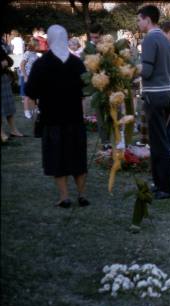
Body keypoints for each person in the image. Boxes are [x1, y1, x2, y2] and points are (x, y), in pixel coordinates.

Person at [24, 25, 89, 208]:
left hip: (52, 119)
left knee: (56, 157)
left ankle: (64, 196)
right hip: (74, 118)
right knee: (77, 157)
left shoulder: (42, 63)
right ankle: (82, 194)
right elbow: (86, 88)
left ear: (50, 39)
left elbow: (30, 90)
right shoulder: (77, 63)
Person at [137, 5, 170, 199]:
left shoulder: (150, 39)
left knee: (159, 142)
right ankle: (161, 183)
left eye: (139, 20)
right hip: (166, 93)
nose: (138, 23)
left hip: (155, 95)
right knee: (160, 141)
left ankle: (166, 187)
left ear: (147, 20)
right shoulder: (164, 38)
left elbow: (147, 71)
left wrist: (131, 69)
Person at [1, 38, 24, 142]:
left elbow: (8, 58)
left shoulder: (1, 42)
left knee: (9, 105)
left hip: (4, 76)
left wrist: (7, 62)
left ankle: (13, 129)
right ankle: (1, 132)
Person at [20, 37, 39, 119]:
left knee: (33, 94)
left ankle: (34, 109)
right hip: (26, 76)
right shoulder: (27, 53)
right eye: (38, 45)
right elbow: (22, 65)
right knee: (26, 95)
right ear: (34, 45)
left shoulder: (35, 54)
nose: (39, 46)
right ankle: (26, 111)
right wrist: (25, 76)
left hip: (32, 77)